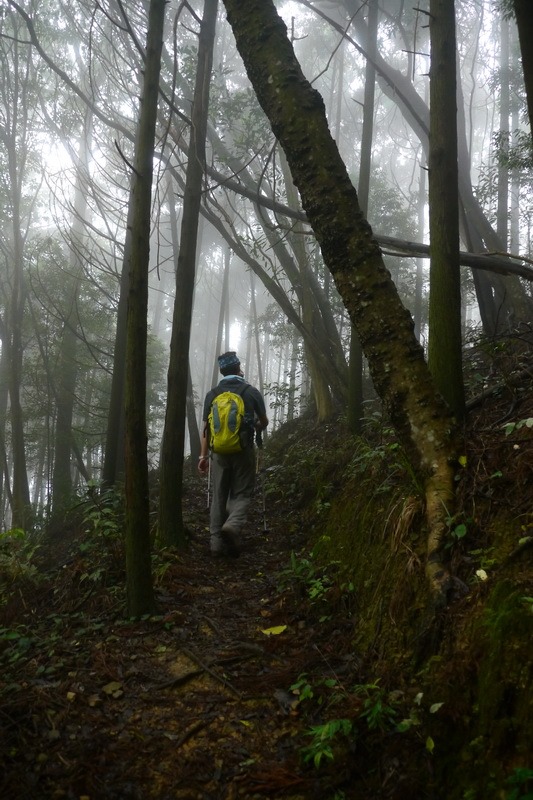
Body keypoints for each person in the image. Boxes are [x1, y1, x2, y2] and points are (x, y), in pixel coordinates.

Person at [198, 352, 268, 557]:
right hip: (243, 450)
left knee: (218, 496)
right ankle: (233, 525)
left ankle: (216, 544)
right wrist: (253, 425)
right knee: (242, 492)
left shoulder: (213, 395)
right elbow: (264, 422)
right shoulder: (251, 392)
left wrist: (203, 457)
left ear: (222, 372)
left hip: (218, 453)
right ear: (238, 369)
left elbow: (206, 430)